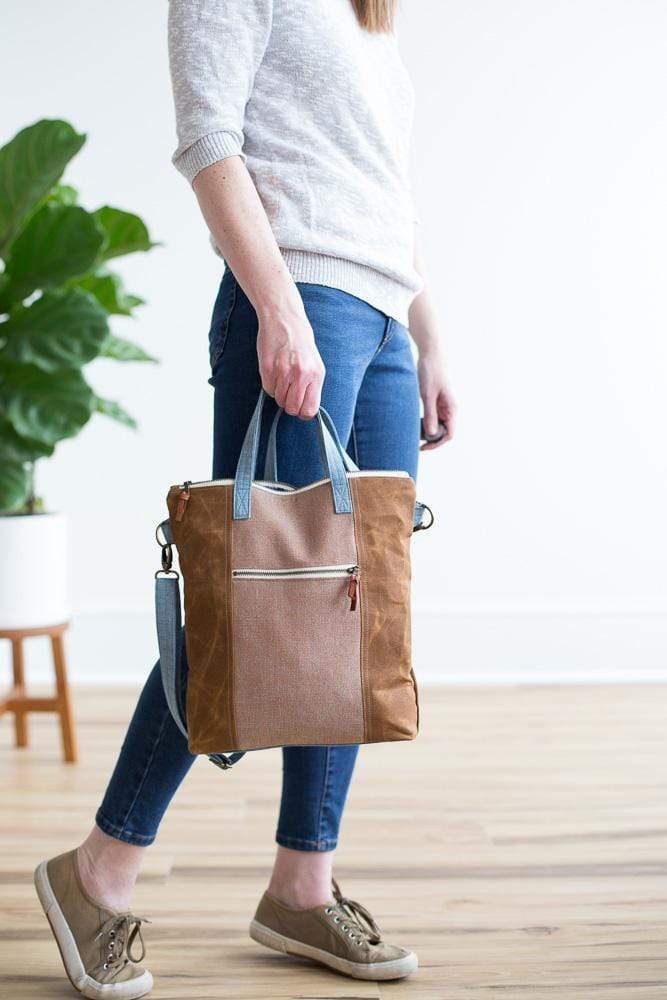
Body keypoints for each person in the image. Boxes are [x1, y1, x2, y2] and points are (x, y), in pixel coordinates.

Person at [34, 1, 456, 996]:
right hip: (300, 299)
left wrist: (427, 334)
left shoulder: (366, 12)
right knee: (249, 606)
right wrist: (277, 307)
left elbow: (380, 186)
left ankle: (302, 885)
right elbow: (209, 141)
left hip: (383, 316)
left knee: (352, 615)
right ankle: (96, 873)